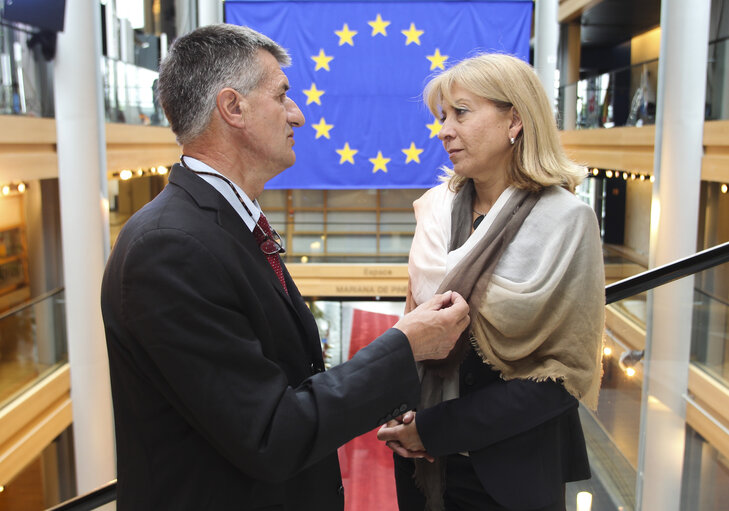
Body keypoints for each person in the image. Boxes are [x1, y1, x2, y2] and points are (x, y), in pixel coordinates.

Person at [100, 24, 470, 511]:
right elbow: (270, 434)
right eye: (282, 96)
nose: (297, 113)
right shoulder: (169, 247)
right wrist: (405, 344)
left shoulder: (225, 224)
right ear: (233, 108)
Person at [377, 53, 605, 511]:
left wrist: (436, 429)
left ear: (515, 120)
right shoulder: (436, 211)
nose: (444, 130)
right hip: (424, 470)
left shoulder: (566, 222)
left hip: (510, 476)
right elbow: (413, 329)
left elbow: (563, 378)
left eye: (461, 112)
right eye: (442, 116)